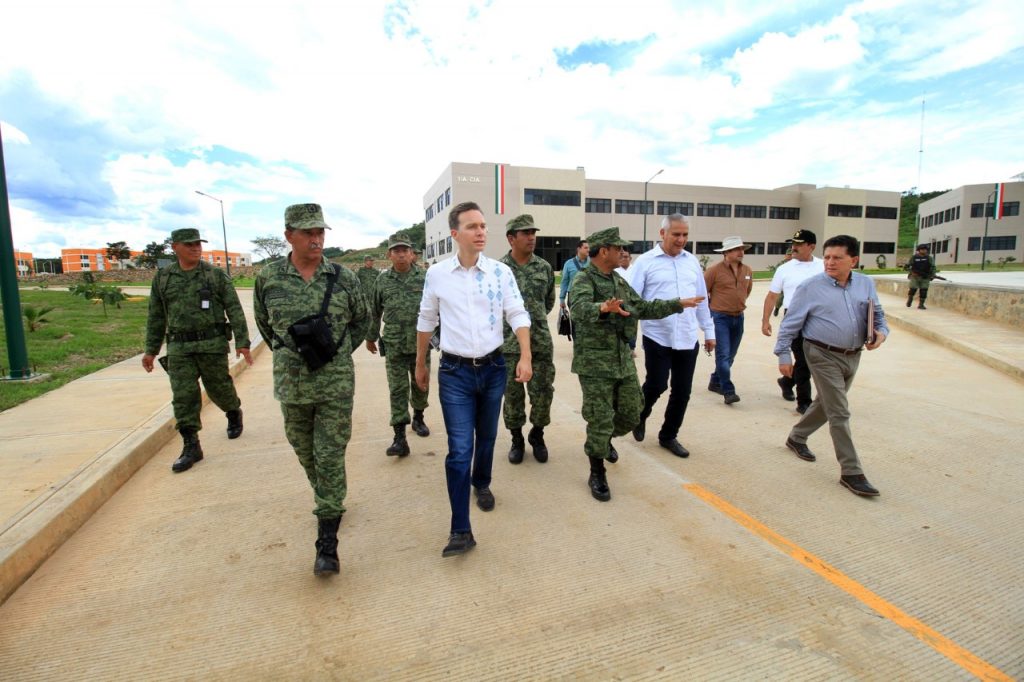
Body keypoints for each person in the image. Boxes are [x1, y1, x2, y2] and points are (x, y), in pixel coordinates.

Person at [254, 203, 368, 576]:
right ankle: (328, 497)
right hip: (291, 384)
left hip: (335, 384)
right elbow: (265, 327)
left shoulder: (343, 276)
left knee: (330, 454)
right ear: (289, 235)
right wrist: (296, 356)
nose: (316, 239)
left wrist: (332, 355)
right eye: (308, 233)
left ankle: (327, 543)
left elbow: (362, 320)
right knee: (306, 452)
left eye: (320, 232)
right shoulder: (269, 277)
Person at [415, 201, 532, 558]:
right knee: (459, 449)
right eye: (472, 227)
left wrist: (525, 354)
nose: (481, 232)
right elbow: (426, 319)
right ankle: (460, 530)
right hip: (454, 373)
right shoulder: (437, 275)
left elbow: (517, 311)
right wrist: (421, 363)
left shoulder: (500, 272)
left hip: (494, 368)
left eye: (483, 226)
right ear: (455, 234)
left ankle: (481, 483)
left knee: (488, 437)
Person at [569, 227, 702, 502]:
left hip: (621, 360)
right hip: (595, 364)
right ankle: (597, 471)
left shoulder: (618, 280)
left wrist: (678, 304)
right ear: (604, 251)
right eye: (618, 248)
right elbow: (579, 309)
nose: (623, 252)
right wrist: (603, 308)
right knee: (600, 418)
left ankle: (604, 439)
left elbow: (642, 307)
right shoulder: (584, 279)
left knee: (632, 412)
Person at [775, 235, 888, 498]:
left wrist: (881, 334)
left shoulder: (865, 284)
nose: (829, 262)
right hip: (820, 353)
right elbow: (790, 324)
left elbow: (878, 315)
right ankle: (851, 472)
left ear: (854, 260)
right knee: (839, 411)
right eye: (826, 257)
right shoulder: (810, 287)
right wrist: (783, 355)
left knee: (826, 404)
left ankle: (797, 436)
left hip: (853, 355)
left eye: (837, 257)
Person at [143, 227, 252, 473]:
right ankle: (191, 445)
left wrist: (243, 343)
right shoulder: (163, 278)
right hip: (180, 347)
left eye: (198, 243)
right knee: (183, 396)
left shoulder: (214, 276)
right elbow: (156, 316)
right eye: (189, 244)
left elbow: (234, 309)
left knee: (219, 388)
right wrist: (150, 350)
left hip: (211, 344)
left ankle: (233, 410)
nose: (195, 248)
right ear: (175, 247)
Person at [625, 214, 714, 458]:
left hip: (686, 336)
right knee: (656, 383)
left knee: (682, 391)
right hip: (658, 335)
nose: (681, 239)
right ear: (662, 233)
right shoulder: (645, 262)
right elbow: (632, 300)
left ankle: (668, 435)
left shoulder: (692, 262)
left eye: (685, 235)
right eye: (676, 234)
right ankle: (640, 414)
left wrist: (709, 331)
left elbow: (702, 298)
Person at [366, 232, 431, 458]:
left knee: (421, 384)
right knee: (397, 389)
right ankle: (399, 437)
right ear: (389, 255)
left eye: (405, 250)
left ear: (412, 254)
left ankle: (419, 417)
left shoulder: (425, 278)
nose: (401, 254)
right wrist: (370, 337)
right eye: (396, 251)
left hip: (420, 344)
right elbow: (374, 311)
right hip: (393, 344)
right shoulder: (382, 281)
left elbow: (437, 310)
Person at [500, 214, 556, 464]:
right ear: (511, 238)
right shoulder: (498, 270)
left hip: (540, 342)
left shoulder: (543, 267)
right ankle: (516, 438)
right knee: (512, 397)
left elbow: (548, 302)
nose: (532, 237)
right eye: (526, 233)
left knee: (543, 393)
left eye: (533, 232)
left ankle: (537, 433)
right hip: (508, 346)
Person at [762, 229, 823, 414]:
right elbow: (772, 296)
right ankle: (804, 402)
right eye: (793, 244)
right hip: (794, 317)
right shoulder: (784, 269)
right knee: (803, 358)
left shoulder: (823, 266)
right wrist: (765, 320)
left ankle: (787, 381)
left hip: (818, 317)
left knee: (810, 358)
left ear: (811, 246)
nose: (794, 247)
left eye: (799, 244)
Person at [704, 236, 753, 405]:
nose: (741, 252)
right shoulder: (714, 270)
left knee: (731, 356)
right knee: (723, 355)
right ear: (726, 252)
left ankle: (715, 381)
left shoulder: (747, 270)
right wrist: (710, 312)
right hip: (720, 318)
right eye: (737, 249)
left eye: (742, 249)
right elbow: (703, 293)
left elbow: (747, 291)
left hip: (739, 317)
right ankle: (728, 390)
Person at [558, 239, 590, 310]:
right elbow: (564, 282)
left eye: (588, 248)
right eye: (585, 248)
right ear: (578, 249)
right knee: (574, 320)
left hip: (589, 296)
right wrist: (562, 299)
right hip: (573, 296)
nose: (588, 250)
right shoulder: (568, 263)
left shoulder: (593, 263)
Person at [906, 244, 936, 309]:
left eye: (925, 250)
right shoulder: (914, 257)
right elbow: (907, 266)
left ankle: (921, 304)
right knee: (913, 289)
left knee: (924, 290)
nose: (924, 251)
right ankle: (910, 299)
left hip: (925, 277)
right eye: (922, 249)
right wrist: (912, 273)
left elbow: (933, 267)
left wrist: (933, 275)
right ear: (919, 250)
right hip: (915, 277)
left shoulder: (929, 258)